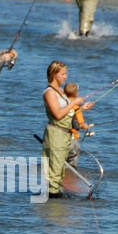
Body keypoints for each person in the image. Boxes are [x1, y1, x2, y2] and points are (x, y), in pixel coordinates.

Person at [41, 61, 93, 199]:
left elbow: (68, 111)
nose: (66, 77)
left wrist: (82, 107)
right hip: (56, 134)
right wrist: (75, 102)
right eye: (63, 74)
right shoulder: (49, 92)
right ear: (54, 74)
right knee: (54, 171)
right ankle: (52, 202)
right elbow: (58, 114)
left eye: (66, 73)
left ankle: (58, 200)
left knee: (61, 171)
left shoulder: (61, 92)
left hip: (65, 134)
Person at [62, 82, 92, 168]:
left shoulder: (62, 105)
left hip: (60, 138)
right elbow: (81, 124)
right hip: (72, 140)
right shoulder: (76, 108)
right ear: (76, 94)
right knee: (73, 158)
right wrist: (86, 126)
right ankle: (70, 175)